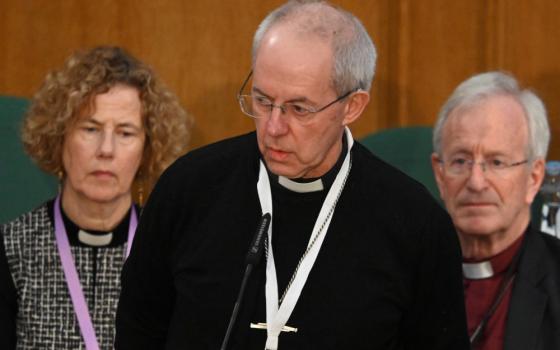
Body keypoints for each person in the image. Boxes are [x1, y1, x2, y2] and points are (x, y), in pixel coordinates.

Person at [116, 1, 469, 349]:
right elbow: (138, 328)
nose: (273, 127)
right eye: (262, 101)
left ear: (352, 106)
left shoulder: (415, 225)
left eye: (299, 109)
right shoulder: (189, 189)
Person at [0, 46, 191, 349]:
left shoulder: (172, 253)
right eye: (91, 128)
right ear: (58, 136)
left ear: (147, 149)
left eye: (126, 133)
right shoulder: (11, 248)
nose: (106, 149)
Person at [431, 71, 560, 350]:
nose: (476, 182)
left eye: (497, 162)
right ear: (440, 175)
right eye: (460, 161)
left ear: (534, 178)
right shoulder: (400, 275)